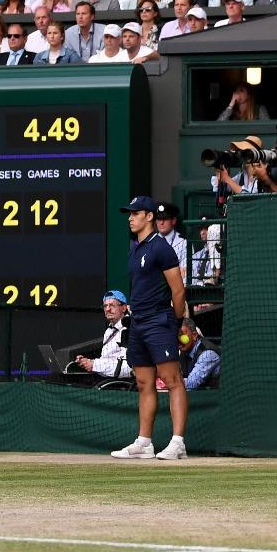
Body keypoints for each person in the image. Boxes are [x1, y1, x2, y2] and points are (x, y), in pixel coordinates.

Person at [110, 196, 190, 460]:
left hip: (160, 320)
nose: (130, 218)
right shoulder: (135, 248)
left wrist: (176, 323)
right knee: (144, 382)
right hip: (139, 323)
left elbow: (178, 291)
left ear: (149, 217)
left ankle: (178, 443)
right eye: (129, 213)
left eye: (135, 213)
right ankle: (144, 442)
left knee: (172, 380)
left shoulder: (162, 248)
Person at [73, 289, 134, 379]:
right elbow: (107, 361)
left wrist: (94, 365)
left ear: (124, 308)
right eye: (105, 306)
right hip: (104, 380)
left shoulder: (130, 330)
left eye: (112, 305)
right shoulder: (109, 331)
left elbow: (129, 368)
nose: (108, 309)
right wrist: (87, 362)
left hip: (119, 385)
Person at [178, 318, 219, 390]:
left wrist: (170, 382)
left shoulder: (207, 354)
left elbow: (191, 384)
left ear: (194, 335)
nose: (178, 340)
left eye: (181, 335)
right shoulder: (184, 350)